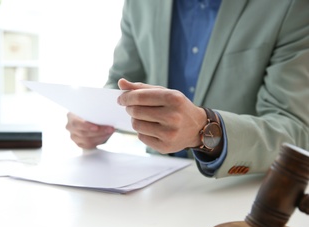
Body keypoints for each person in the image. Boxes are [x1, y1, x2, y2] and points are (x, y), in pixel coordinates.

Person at [66, 0, 309, 178]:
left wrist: (206, 130)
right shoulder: (140, 4)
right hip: (152, 186)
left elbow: (294, 130)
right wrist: (94, 117)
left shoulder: (291, 7)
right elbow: (120, 83)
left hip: (236, 198)